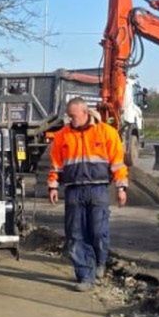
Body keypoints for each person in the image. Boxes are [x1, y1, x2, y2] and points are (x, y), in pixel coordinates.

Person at [48, 97, 129, 292]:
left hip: (98, 189)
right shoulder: (62, 136)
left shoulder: (106, 132)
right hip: (73, 190)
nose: (70, 120)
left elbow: (117, 163)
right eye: (69, 116)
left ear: (85, 113)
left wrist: (121, 188)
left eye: (73, 116)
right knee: (75, 234)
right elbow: (56, 165)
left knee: (98, 231)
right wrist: (52, 186)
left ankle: (100, 262)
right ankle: (85, 276)